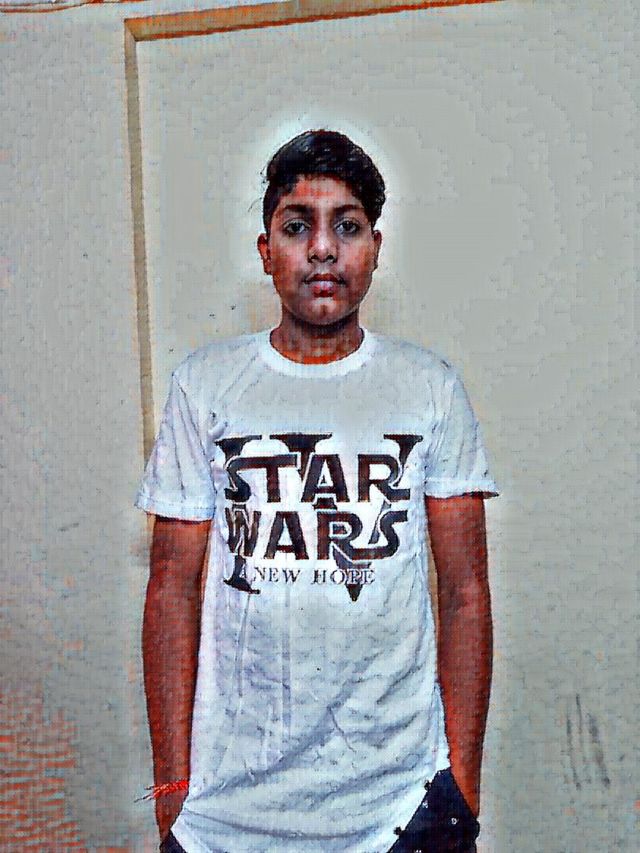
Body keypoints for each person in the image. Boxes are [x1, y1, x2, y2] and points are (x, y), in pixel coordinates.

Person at [135, 129, 499, 853]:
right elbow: (171, 587)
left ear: (375, 248)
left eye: (348, 226)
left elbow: (465, 592)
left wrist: (460, 781)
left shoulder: (429, 388)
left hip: (399, 807)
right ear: (266, 250)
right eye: (298, 226)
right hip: (227, 816)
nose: (324, 249)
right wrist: (173, 785)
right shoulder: (204, 386)